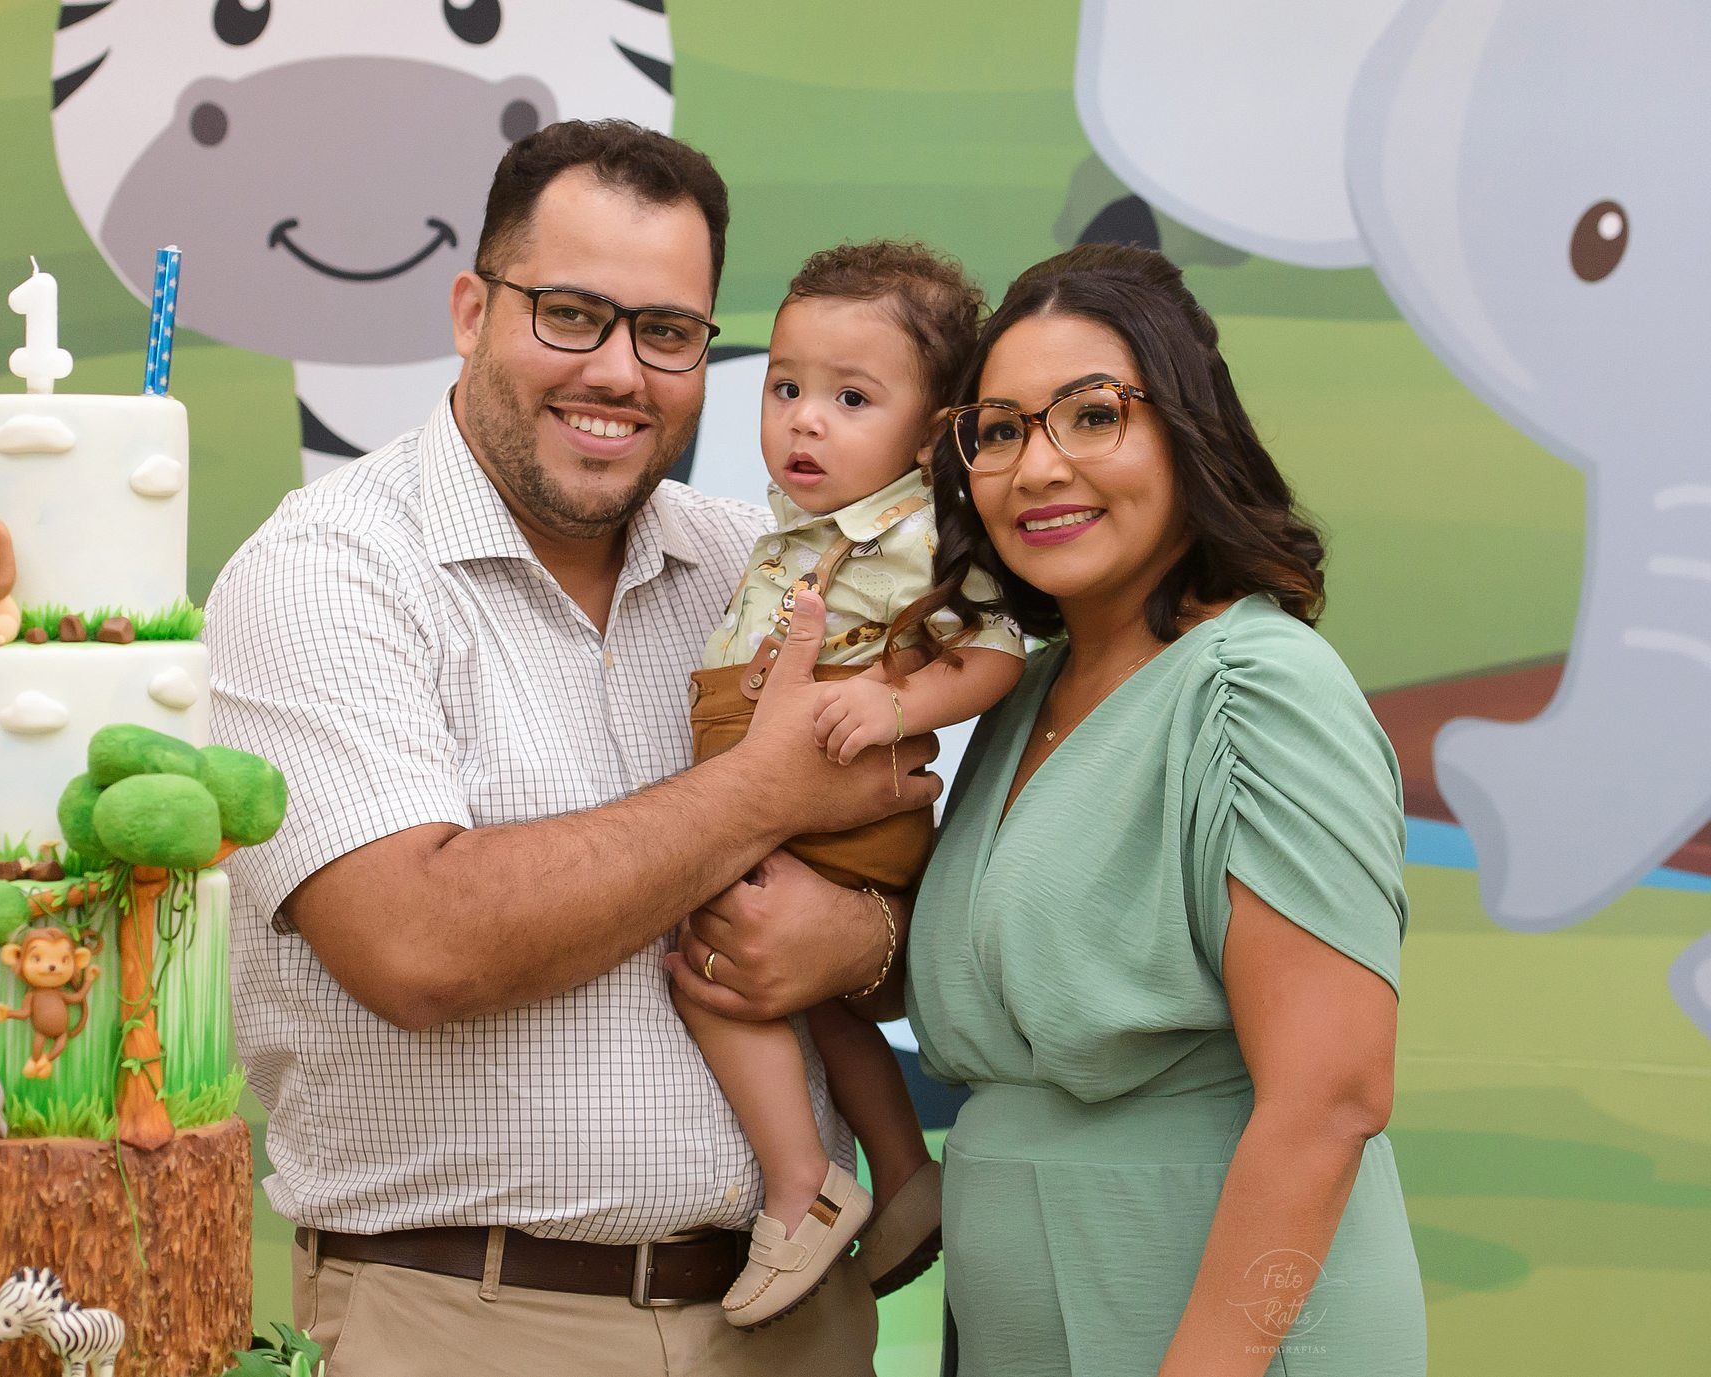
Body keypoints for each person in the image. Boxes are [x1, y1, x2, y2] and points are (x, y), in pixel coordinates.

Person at [205, 119, 938, 1377]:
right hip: (468, 1320)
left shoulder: (757, 568)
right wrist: (761, 790)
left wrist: (854, 942)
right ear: (471, 311)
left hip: (795, 1322)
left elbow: (906, 877)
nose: (618, 372)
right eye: (571, 316)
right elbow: (417, 945)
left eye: (667, 333)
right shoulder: (326, 573)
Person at [902, 243, 1428, 1375]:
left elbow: (1331, 1097)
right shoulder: (1022, 698)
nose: (1038, 467)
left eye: (1093, 415)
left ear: (1189, 433)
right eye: (1000, 430)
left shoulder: (1255, 689)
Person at [675, 242, 1026, 1328]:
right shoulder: (793, 531)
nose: (805, 421)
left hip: (835, 799)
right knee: (815, 1000)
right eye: (785, 388)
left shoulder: (914, 534)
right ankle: (902, 1170)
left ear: (927, 435)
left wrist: (895, 704)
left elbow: (996, 651)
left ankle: (803, 1190)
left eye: (851, 398)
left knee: (710, 969)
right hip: (792, 792)